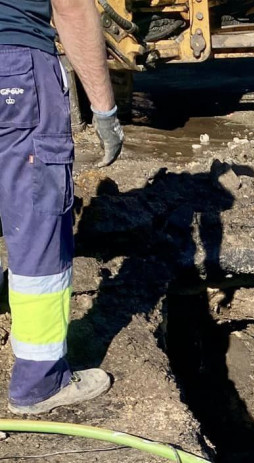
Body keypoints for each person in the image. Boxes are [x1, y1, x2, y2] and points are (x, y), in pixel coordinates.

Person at [1, 0, 124, 414]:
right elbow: (70, 6)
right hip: (16, 68)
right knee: (38, 222)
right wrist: (104, 110)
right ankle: (39, 382)